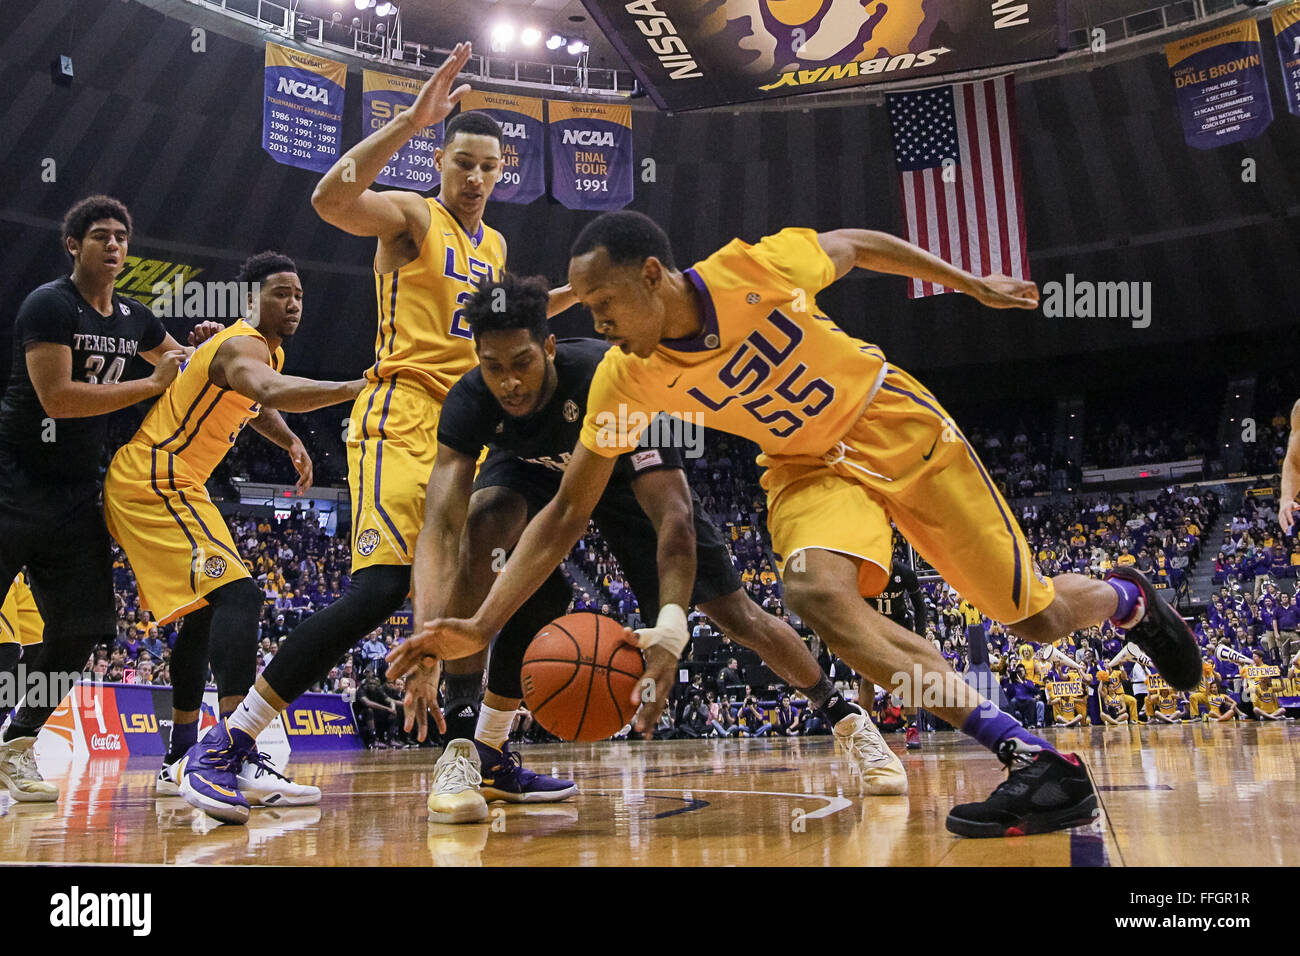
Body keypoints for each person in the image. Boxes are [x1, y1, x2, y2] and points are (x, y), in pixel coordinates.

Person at [401, 210, 1201, 838]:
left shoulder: (753, 267)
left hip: (895, 426)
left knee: (1038, 620)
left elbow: (858, 244)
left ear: (653, 278)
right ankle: (1026, 754)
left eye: (606, 303)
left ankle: (1125, 598)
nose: (597, 321)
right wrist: (477, 622)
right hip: (806, 467)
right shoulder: (623, 379)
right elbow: (569, 511)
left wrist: (967, 283)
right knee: (815, 595)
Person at [171, 45, 575, 823]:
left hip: (467, 430)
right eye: (462, 161)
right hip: (400, 414)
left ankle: (486, 751)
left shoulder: (492, 248)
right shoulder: (411, 215)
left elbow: (508, 326)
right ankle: (227, 744)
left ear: (503, 171)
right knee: (383, 586)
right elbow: (331, 198)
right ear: (441, 158)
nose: (476, 178)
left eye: (490, 167)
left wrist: (581, 294)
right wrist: (410, 122)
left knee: (529, 580)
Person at [391, 275, 901, 822]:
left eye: (522, 362)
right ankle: (469, 745)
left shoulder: (611, 381)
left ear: (549, 346)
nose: (510, 382)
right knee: (481, 522)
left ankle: (847, 719)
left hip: (619, 477)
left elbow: (673, 517)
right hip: (531, 474)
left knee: (736, 614)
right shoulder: (471, 399)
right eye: (493, 366)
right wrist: (426, 639)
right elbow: (439, 530)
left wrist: (673, 622)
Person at [104, 251, 362, 822]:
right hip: (156, 473)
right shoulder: (243, 344)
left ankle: (178, 756)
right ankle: (234, 752)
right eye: (280, 293)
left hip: (172, 478)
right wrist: (355, 384)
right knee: (240, 595)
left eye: (298, 295)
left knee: (205, 614)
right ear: (251, 299)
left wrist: (290, 440)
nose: (292, 303)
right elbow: (264, 388)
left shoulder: (256, 349)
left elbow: (252, 403)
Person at [0, 195, 215, 801]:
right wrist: (149, 383)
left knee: (82, 626)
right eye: (100, 235)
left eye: (121, 235)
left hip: (73, 495)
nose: (114, 244)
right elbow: (58, 399)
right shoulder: (50, 304)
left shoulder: (133, 316)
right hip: (13, 482)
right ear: (74, 245)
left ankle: (17, 745)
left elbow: (177, 359)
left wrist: (200, 346)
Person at [863, 557, 928, 749]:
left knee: (907, 677)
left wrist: (921, 638)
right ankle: (865, 728)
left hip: (900, 626)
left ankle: (913, 727)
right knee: (866, 677)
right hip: (873, 627)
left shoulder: (905, 572)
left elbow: (920, 607)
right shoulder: (865, 571)